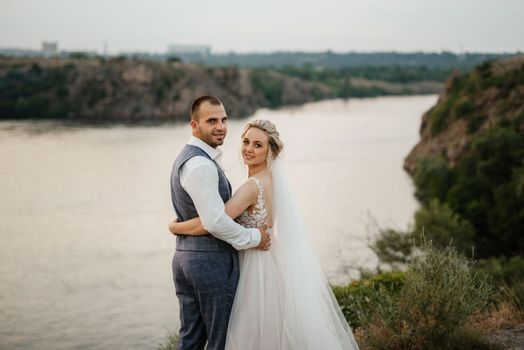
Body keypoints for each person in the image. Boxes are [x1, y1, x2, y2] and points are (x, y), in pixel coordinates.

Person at [169, 119, 360, 349]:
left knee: (249, 336)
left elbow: (213, 222)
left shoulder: (252, 187)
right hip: (271, 261)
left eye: (258, 145)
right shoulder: (270, 180)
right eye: (246, 142)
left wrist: (176, 227)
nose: (249, 149)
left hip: (255, 267)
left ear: (270, 152)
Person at [169, 96, 272, 350]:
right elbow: (215, 221)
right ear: (195, 126)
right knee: (221, 340)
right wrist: (254, 238)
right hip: (209, 262)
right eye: (212, 121)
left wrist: (176, 228)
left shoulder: (188, 158)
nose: (221, 126)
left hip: (185, 257)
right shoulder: (200, 164)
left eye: (224, 120)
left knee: (191, 339)